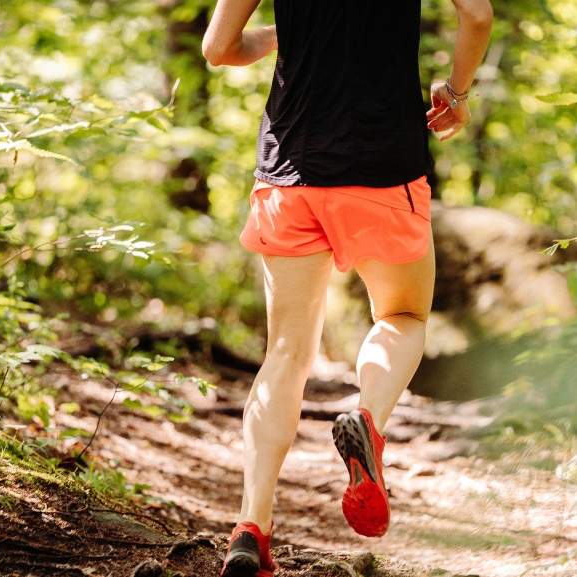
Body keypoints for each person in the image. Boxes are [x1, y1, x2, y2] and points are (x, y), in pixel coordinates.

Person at [202, 0, 492, 575]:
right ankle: (368, 421)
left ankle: (251, 530)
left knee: (285, 353)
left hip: (290, 167)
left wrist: (286, 35)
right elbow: (477, 15)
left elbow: (218, 49)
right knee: (403, 316)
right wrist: (455, 96)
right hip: (386, 167)